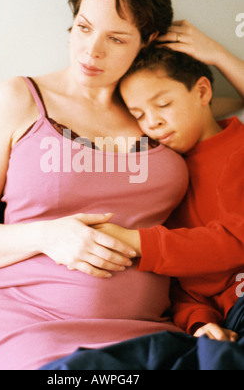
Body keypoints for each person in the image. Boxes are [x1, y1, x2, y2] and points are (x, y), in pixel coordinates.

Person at [0, 0, 244, 369]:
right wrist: (49, 236)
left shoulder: (156, 110)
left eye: (117, 39)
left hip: (151, 332)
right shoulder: (19, 99)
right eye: (84, 28)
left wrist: (214, 51)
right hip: (34, 326)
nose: (91, 51)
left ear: (148, 38)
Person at [96, 46, 244, 343]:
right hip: (226, 324)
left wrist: (139, 242)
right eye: (138, 115)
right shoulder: (163, 177)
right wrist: (200, 321)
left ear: (202, 92)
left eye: (163, 104)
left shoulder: (238, 152)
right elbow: (183, 284)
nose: (152, 122)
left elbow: (234, 242)